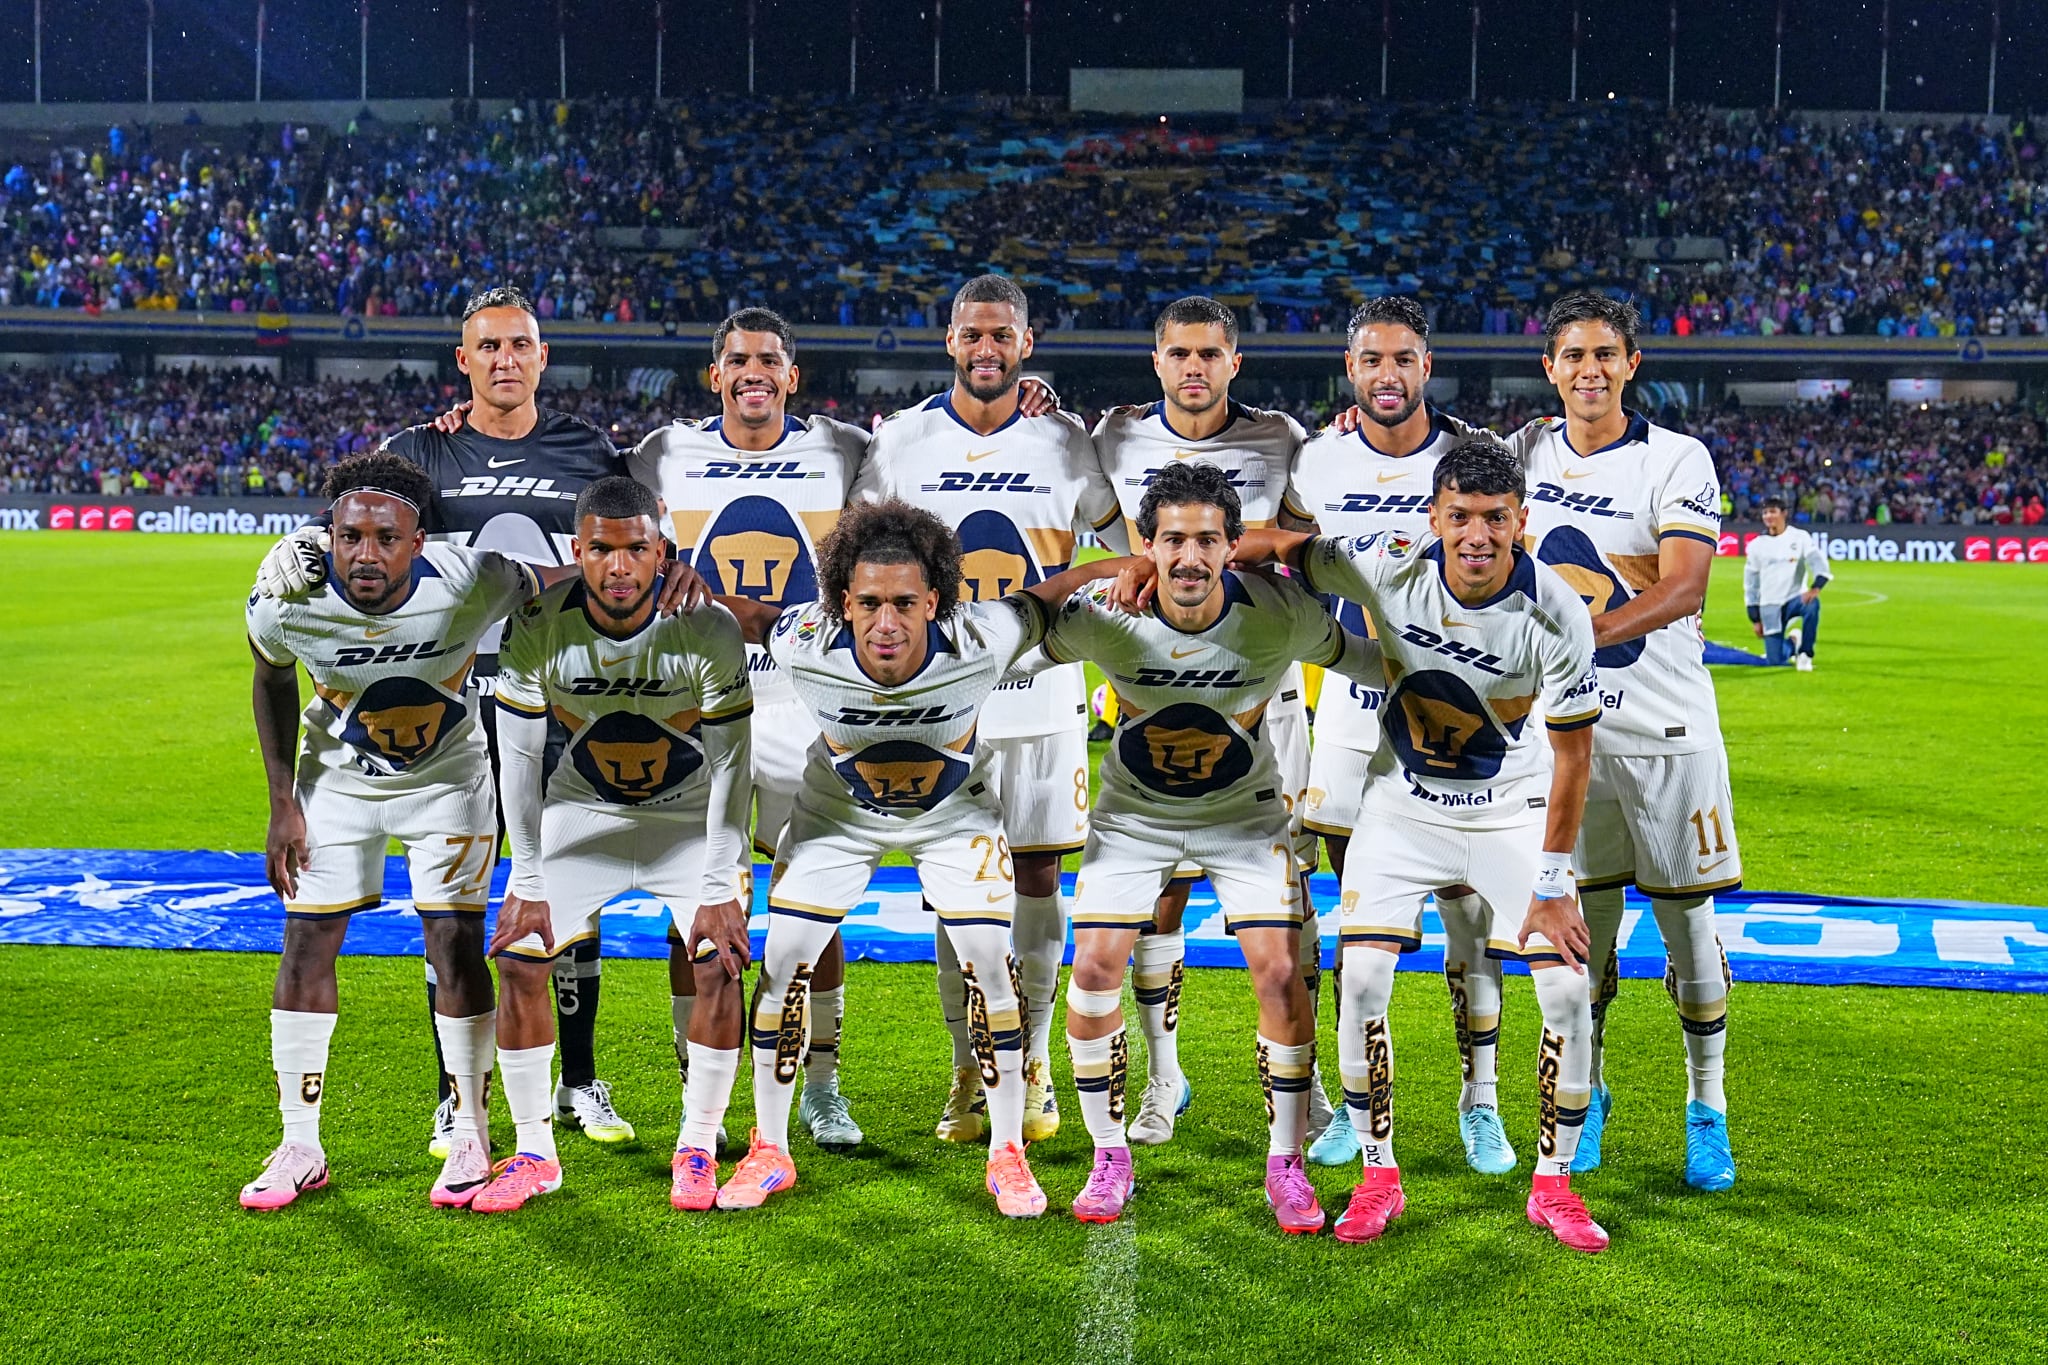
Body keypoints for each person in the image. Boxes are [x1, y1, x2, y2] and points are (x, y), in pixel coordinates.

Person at [257, 286, 633, 1157]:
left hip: (562, 697)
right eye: (488, 346)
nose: (506, 359)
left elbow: (619, 550)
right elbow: (361, 536)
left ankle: (577, 1076)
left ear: (544, 357)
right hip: (449, 704)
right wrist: (300, 544)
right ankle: (454, 1099)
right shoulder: (416, 450)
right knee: (454, 909)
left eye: (521, 346)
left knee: (565, 888)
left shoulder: (591, 448)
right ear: (462, 360)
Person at [1224, 438, 1610, 1252]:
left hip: (1511, 810)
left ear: (1523, 523)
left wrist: (1550, 882)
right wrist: (1186, 558)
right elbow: (1279, 547)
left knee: (1570, 994)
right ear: (1432, 516)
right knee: (1361, 977)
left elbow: (1575, 753)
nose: (1477, 535)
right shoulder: (1386, 560)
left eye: (1496, 519)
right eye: (1460, 515)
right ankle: (1378, 1173)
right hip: (1402, 808)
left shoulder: (1559, 610)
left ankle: (1554, 1185)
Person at [708, 498, 1134, 1217]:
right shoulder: (807, 638)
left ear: (934, 600)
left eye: (905, 602)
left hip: (953, 810)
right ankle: (769, 1147)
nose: (886, 622)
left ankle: (1007, 1152)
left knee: (990, 964)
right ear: (843, 602)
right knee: (782, 959)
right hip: (839, 810)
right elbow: (750, 617)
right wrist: (674, 582)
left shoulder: (982, 636)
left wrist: (1138, 564)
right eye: (869, 602)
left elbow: (1050, 593)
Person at [1046, 462, 1384, 1233]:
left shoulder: (1280, 613)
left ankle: (1286, 1164)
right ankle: (1108, 1154)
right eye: (1172, 540)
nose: (1190, 557)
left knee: (1278, 966)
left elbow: (1368, 661)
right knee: (1095, 963)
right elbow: (1013, 640)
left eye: (1207, 539)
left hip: (1246, 816)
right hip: (1133, 817)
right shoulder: (1105, 612)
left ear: (1235, 545)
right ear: (1147, 546)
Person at [239, 452, 567, 1210]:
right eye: (350, 536)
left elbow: (558, 583)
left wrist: (654, 574)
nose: (366, 554)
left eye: (387, 538)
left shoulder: (473, 577)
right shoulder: (286, 595)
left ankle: (471, 1129)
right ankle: (300, 1141)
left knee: (454, 942)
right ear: (330, 533)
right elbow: (269, 675)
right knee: (306, 941)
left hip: (448, 784)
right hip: (338, 784)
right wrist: (282, 799)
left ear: (419, 542)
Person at [851, 274, 1125, 1147]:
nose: (987, 348)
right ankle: (972, 1068)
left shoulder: (1066, 441)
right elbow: (857, 561)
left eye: (1002, 335)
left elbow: (1123, 554)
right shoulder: (902, 442)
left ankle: (1032, 1061)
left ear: (1026, 345)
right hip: (942, 707)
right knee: (953, 896)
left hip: (1044, 700)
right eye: (973, 333)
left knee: (1041, 882)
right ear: (950, 340)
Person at [1505, 292, 1740, 1192]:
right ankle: (1587, 1092)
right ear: (1551, 368)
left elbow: (1684, 589)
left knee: (1690, 934)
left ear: (1632, 363)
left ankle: (1705, 1108)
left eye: (1606, 353)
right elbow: (1429, 459)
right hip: (1567, 741)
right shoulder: (1524, 452)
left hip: (1670, 734)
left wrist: (1576, 639)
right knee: (1580, 937)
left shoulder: (1677, 457)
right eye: (1573, 355)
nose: (1590, 369)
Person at [1089, 294, 1335, 1152]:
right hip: (1157, 693)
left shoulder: (1287, 441)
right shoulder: (1111, 440)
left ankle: (1307, 1083)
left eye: (1210, 354)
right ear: (1155, 362)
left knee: (1285, 903)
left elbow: (1311, 538)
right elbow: (1096, 546)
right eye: (1179, 353)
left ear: (1236, 364)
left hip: (1270, 698)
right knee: (1157, 895)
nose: (1194, 367)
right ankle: (1162, 1075)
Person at [482, 477, 754, 1213]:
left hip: (688, 819)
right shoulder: (537, 623)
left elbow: (734, 765)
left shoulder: (709, 625)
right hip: (583, 811)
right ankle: (535, 1151)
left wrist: (723, 883)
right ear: (578, 550)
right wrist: (528, 878)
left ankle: (697, 1144)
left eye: (637, 548)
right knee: (516, 954)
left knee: (720, 961)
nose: (620, 565)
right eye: (602, 548)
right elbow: (518, 756)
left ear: (661, 551)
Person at [1284, 296, 1504, 1173]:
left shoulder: (1476, 455)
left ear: (1428, 364)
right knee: (1358, 922)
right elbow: (1287, 552)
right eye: (1372, 360)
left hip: (1458, 711)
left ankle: (1478, 1100)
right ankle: (1356, 1106)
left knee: (1470, 919)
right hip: (1350, 709)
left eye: (1404, 359)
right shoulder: (1319, 458)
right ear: (1351, 368)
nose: (1387, 375)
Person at [1744, 498, 1829, 670]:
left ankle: (1805, 654)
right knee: (1775, 660)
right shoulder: (1756, 545)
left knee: (1812, 604)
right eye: (1765, 512)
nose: (1768, 516)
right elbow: (1751, 583)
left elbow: (1816, 561)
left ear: (1784, 513)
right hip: (1769, 605)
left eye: (1773, 511)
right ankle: (1793, 642)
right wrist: (1755, 618)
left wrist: (1816, 587)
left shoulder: (1799, 537)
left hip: (1794, 599)